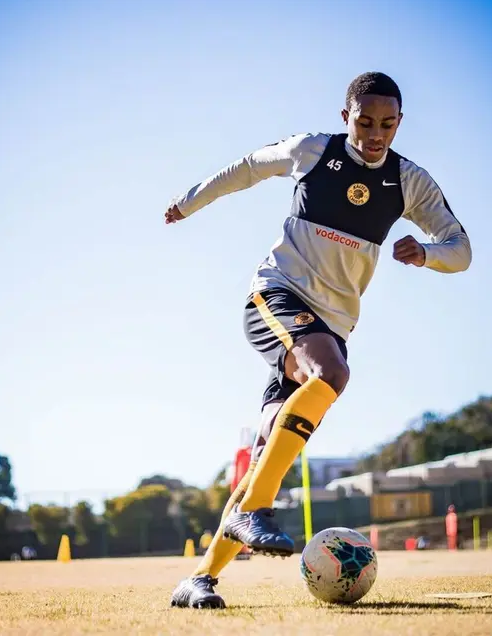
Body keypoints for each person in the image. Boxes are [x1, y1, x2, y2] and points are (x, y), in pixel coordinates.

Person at [166, 72, 472, 608]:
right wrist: (189, 202)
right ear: (345, 116)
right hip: (277, 296)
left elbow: (460, 248)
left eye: (388, 124)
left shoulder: (410, 181)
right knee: (332, 375)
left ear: (400, 123)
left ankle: (199, 580)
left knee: (267, 454)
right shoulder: (314, 151)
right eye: (365, 121)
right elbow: (247, 169)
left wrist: (426, 253)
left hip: (332, 326)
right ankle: (254, 513)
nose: (376, 133)